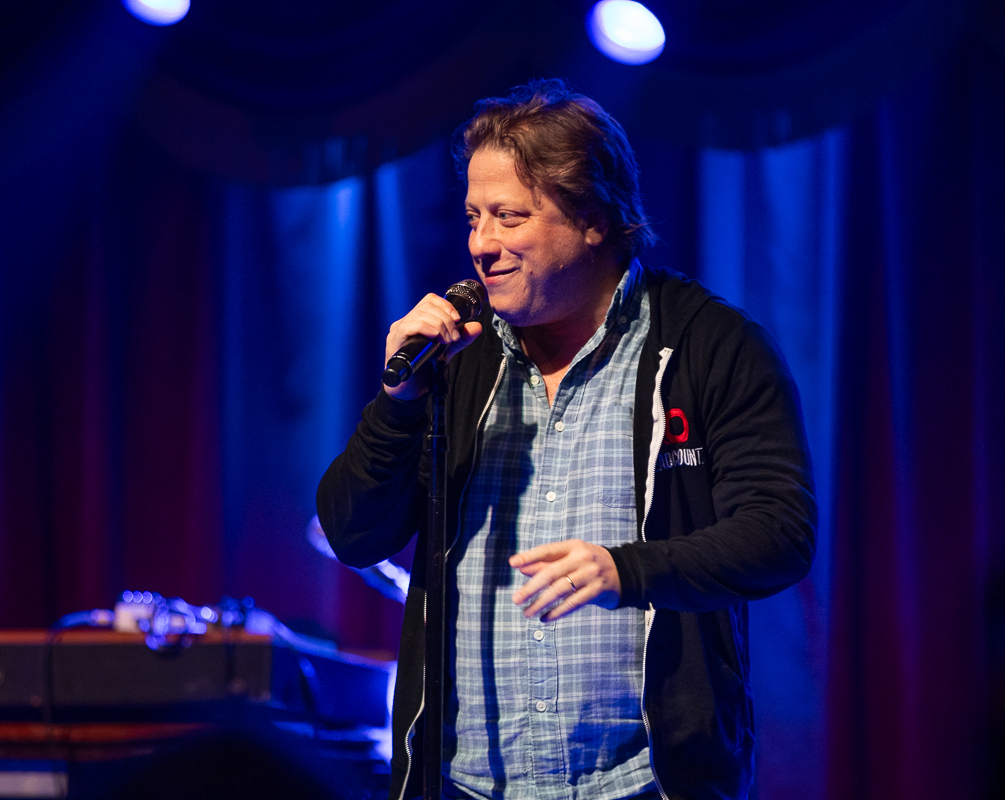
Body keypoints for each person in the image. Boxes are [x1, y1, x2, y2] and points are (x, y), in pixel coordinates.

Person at [317, 78, 816, 800]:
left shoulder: (709, 345)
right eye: (473, 218)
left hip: (647, 784)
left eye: (509, 217)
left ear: (592, 218)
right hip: (468, 785)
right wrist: (399, 403)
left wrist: (627, 571)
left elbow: (780, 533)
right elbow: (353, 533)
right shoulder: (458, 363)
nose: (481, 246)